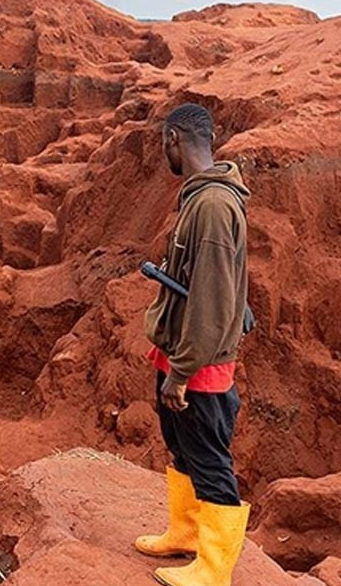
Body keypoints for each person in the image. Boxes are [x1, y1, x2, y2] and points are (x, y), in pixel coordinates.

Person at [135, 103, 251, 586]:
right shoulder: (201, 198)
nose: (166, 151)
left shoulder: (213, 205)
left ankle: (215, 569)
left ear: (175, 139)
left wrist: (181, 373)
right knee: (181, 446)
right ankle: (184, 534)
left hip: (198, 365)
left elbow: (211, 298)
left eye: (165, 143)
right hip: (181, 352)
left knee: (208, 457)